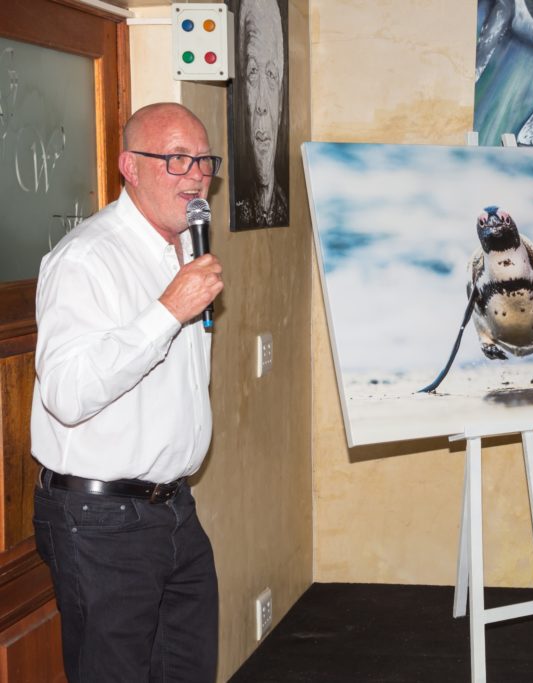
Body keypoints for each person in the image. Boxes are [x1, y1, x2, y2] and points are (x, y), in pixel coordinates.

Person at [31, 102, 224, 682]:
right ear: (130, 167)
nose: (194, 175)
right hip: (100, 521)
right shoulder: (86, 259)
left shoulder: (184, 251)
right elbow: (67, 392)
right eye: (175, 159)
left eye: (204, 160)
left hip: (174, 511)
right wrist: (167, 311)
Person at [234, 0, 287, 228]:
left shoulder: (285, 206)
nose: (262, 105)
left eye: (272, 75)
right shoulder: (238, 208)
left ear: (281, 102)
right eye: (253, 73)